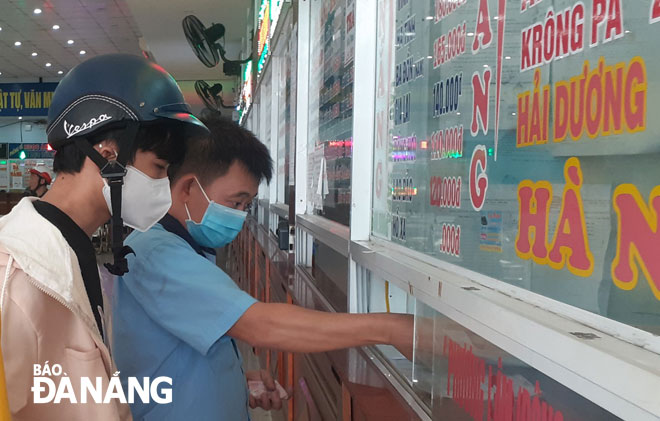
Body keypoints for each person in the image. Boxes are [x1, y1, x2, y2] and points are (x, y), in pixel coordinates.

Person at [111, 114, 414, 420]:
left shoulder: (187, 248)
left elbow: (172, 356)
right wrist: (392, 329)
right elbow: (261, 325)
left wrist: (233, 382)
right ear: (189, 187)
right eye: (235, 203)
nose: (241, 216)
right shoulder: (158, 254)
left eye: (248, 205)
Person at [0, 54, 207, 420]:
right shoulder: (13, 275)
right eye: (158, 168)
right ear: (107, 152)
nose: (164, 185)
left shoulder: (77, 254)